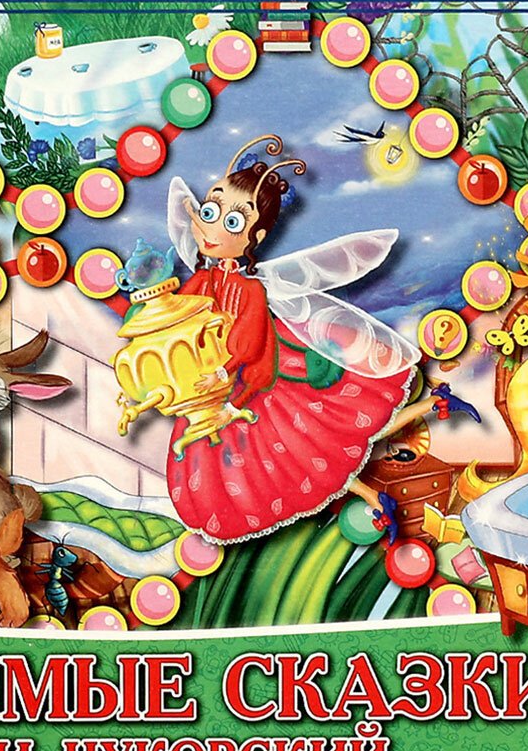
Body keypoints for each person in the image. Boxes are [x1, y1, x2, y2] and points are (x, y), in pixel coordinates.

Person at [162, 136, 430, 543]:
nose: (212, 228)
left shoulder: (250, 289)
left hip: (250, 385)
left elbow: (249, 342)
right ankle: (375, 496)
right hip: (208, 387)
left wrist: (222, 370)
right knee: (280, 462)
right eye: (209, 211)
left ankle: (377, 494)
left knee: (301, 453)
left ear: (255, 237)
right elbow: (181, 318)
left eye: (232, 223)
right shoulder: (202, 279)